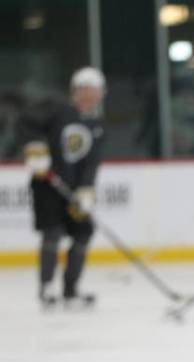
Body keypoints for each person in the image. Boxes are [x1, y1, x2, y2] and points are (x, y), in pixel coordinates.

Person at [19, 67, 106, 308]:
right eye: (88, 90)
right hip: (48, 184)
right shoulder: (56, 109)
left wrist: (86, 189)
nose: (92, 96)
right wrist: (35, 147)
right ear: (77, 90)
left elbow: (92, 162)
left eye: (96, 91)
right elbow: (26, 122)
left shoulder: (96, 124)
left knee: (83, 233)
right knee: (52, 233)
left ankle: (71, 290)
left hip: (74, 191)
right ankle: (46, 288)